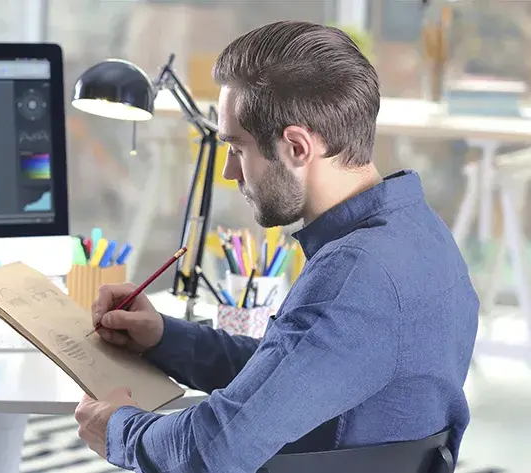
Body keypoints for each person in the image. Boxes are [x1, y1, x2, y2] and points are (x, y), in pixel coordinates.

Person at [74, 20, 479, 472]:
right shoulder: (419, 232)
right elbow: (291, 374)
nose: (230, 171)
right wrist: (166, 339)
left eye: (238, 147)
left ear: (297, 148)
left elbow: (213, 449)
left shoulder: (354, 275)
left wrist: (118, 432)